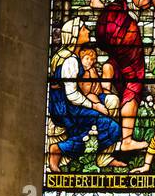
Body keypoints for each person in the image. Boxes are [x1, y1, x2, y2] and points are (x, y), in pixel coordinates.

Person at [95, 0, 155, 152]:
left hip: (106, 28)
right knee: (134, 81)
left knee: (118, 61)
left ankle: (109, 69)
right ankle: (126, 139)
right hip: (126, 32)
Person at [48, 18, 123, 171]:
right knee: (112, 128)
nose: (87, 31)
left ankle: (104, 158)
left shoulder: (73, 56)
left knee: (113, 101)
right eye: (83, 29)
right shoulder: (70, 60)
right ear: (74, 35)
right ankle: (58, 149)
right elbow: (72, 95)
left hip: (80, 101)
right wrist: (95, 105)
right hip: (69, 109)